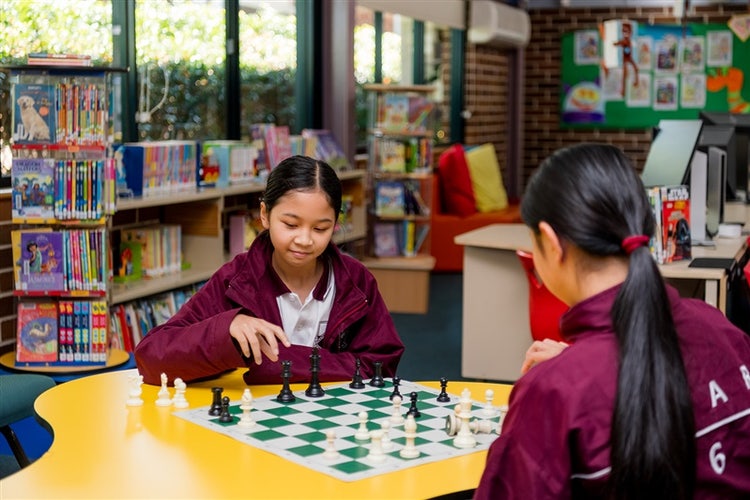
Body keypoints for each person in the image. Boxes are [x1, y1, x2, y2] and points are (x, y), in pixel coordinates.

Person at [475, 144, 750, 499]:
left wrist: (575, 375)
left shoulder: (553, 392)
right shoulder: (721, 330)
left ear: (552, 244)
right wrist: (579, 367)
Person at [134, 155, 404, 386]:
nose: (305, 240)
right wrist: (226, 328)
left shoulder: (355, 281)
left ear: (335, 223)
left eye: (321, 228)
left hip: (334, 423)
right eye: (290, 224)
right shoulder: (236, 280)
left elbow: (381, 366)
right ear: (264, 215)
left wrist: (280, 362)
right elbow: (152, 356)